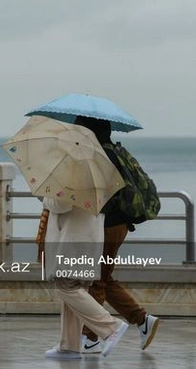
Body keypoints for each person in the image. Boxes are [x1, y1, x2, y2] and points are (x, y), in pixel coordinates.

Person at [73, 116, 160, 353]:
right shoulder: (113, 151)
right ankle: (142, 320)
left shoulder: (102, 156)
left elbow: (100, 196)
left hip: (108, 225)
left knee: (96, 280)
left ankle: (90, 337)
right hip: (117, 224)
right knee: (104, 277)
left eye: (79, 128)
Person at [43, 195, 128, 359]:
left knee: (66, 287)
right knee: (75, 289)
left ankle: (111, 328)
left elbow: (61, 203)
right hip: (88, 236)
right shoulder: (95, 174)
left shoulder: (72, 172)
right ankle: (69, 346)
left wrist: (46, 199)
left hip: (72, 239)